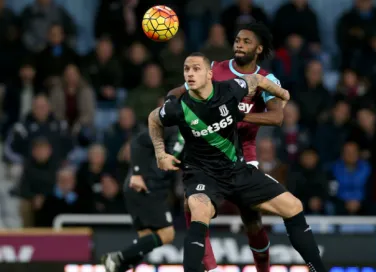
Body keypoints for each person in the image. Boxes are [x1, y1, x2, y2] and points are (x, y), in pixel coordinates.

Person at [147, 52, 326, 272]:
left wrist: (282, 93)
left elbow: (258, 80)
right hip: (203, 175)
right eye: (186, 69)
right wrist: (160, 153)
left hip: (238, 170)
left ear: (210, 74)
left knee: (293, 206)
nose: (190, 74)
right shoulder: (178, 106)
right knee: (199, 212)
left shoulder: (230, 90)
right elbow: (154, 118)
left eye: (196, 69)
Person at [168, 21, 284, 272]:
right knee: (193, 204)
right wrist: (170, 104)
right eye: (237, 41)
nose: (239, 45)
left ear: (259, 48)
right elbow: (178, 91)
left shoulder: (266, 79)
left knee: (251, 220)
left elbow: (276, 117)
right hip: (207, 152)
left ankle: (263, 268)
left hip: (244, 154)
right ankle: (210, 267)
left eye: (246, 41)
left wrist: (238, 116)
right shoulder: (214, 70)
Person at [101, 128, 178, 272]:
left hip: (150, 189)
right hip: (145, 185)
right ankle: (118, 258)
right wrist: (137, 173)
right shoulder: (172, 126)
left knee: (145, 241)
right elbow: (137, 142)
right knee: (167, 234)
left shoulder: (198, 138)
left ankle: (117, 267)